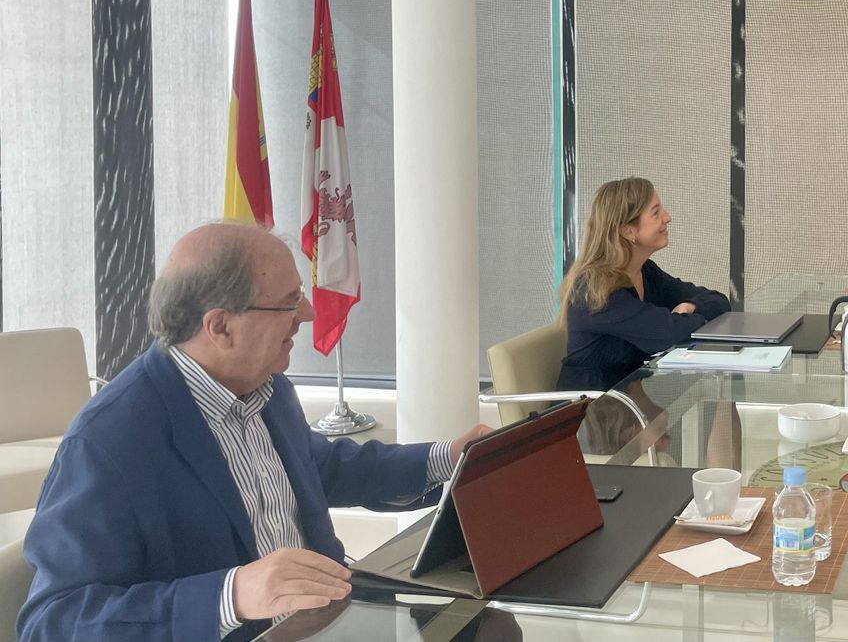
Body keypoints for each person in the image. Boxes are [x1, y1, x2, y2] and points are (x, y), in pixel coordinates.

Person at [18, 222, 493, 642]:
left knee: (495, 623)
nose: (307, 314)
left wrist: (450, 458)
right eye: (288, 303)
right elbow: (53, 622)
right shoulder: (109, 441)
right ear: (221, 327)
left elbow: (323, 469)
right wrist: (231, 595)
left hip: (326, 621)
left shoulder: (266, 387)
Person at [557, 178, 732, 391]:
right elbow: (671, 334)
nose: (667, 218)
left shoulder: (645, 272)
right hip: (589, 413)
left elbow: (719, 301)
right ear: (628, 231)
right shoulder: (595, 291)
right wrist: (682, 321)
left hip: (630, 397)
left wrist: (689, 307)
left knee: (719, 386)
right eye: (656, 212)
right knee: (714, 387)